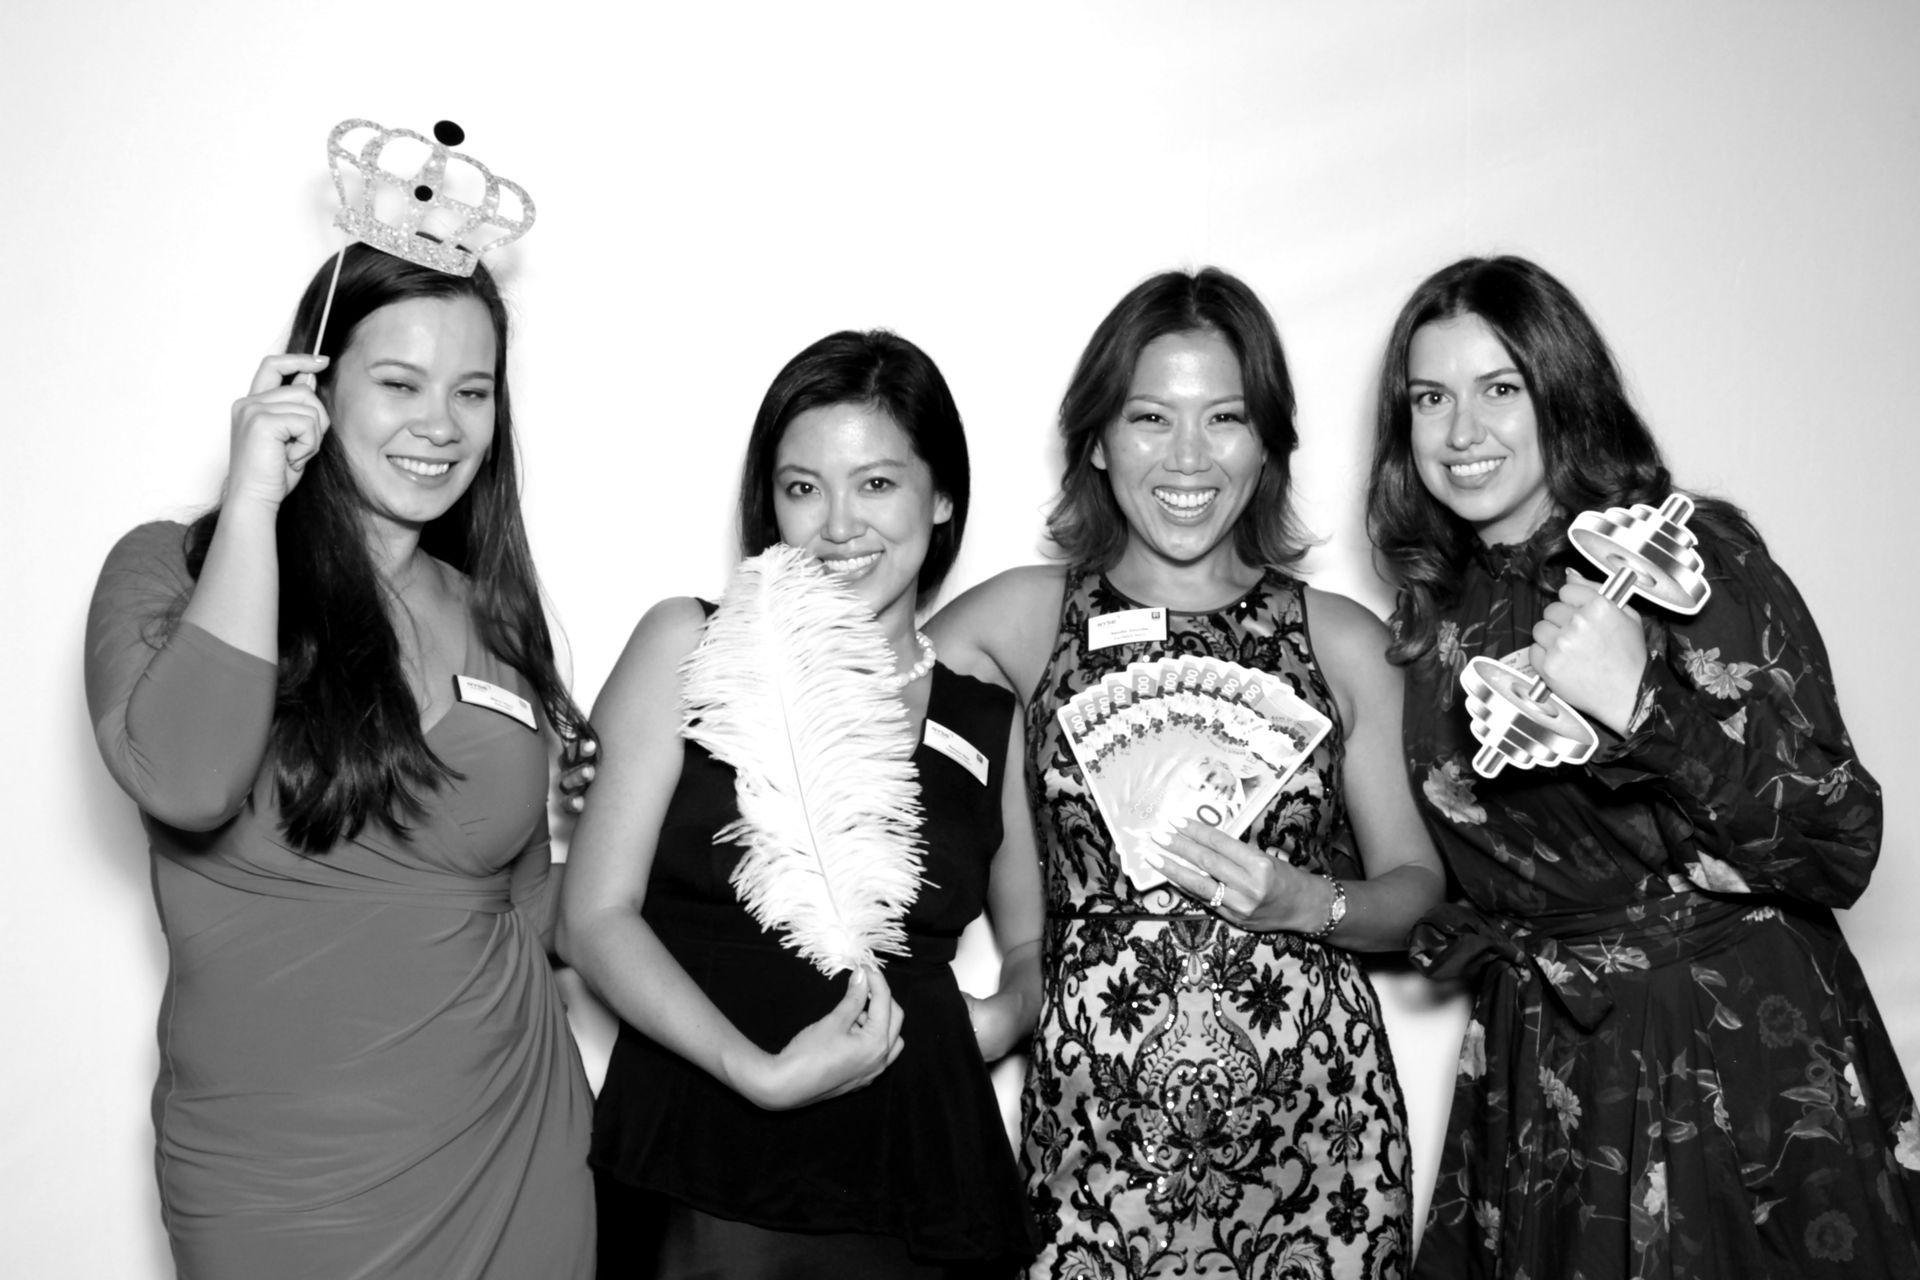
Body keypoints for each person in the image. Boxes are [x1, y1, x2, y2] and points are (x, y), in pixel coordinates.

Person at [1367, 254, 1920, 1277]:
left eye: (1502, 388)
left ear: (1563, 387)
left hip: (1723, 1047)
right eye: (1430, 397)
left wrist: (1641, 703)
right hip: (1546, 1061)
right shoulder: (1439, 611)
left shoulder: (1683, 551)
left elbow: (1840, 842)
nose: (1460, 433)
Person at [83, 243, 594, 1277]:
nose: (442, 424)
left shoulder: (495, 615)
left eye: (473, 391)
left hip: (513, 1144)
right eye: (399, 382)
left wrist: (608, 826)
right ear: (310, 382)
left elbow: (529, 914)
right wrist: (256, 502)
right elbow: (187, 781)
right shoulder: (167, 571)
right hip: (278, 1182)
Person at [931, 268, 1444, 1278]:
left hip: (1318, 1136)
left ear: (1268, 442)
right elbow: (830, 710)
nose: (1188, 456)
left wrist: (1307, 898)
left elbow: (1419, 894)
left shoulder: (1337, 638)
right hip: (1095, 1133)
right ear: (1096, 438)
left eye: (1225, 418)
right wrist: (643, 758)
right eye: (1150, 418)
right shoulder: (1023, 621)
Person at [561, 330, 1043, 1278]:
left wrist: (1006, 1012)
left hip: (917, 1162)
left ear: (941, 497)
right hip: (705, 1146)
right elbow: (593, 916)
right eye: (801, 487)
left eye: (875, 484)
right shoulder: (686, 641)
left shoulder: (988, 717)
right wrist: (758, 1071)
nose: (837, 525)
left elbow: (1030, 942)